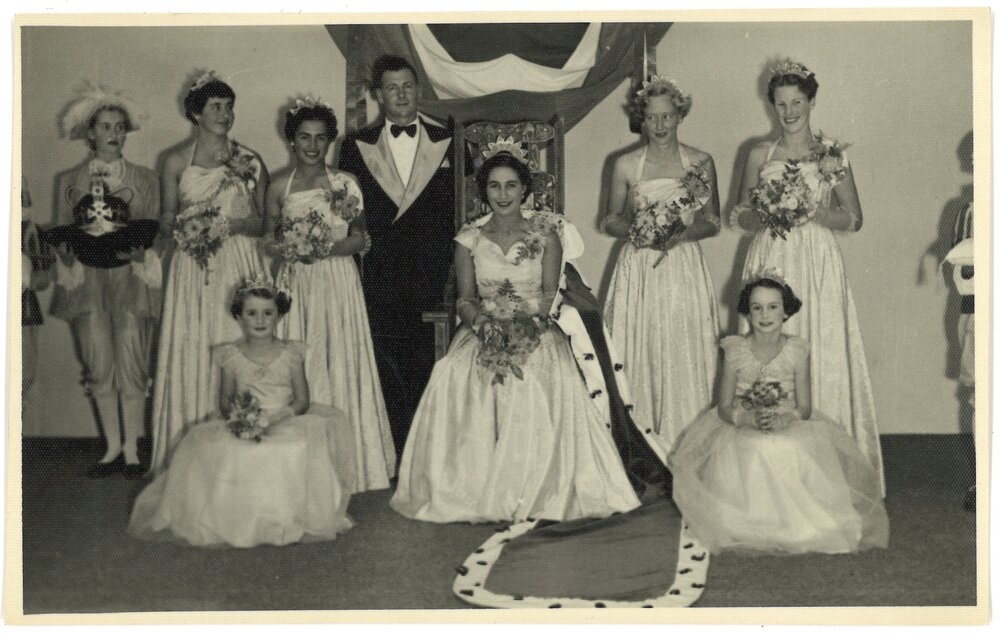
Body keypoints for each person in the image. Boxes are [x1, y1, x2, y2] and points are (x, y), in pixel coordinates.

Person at [390, 151, 668, 523]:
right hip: (484, 328)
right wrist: (483, 326)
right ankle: (471, 488)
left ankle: (532, 489)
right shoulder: (469, 239)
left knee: (533, 378)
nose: (502, 194)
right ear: (483, 192)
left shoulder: (545, 234)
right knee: (453, 372)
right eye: (494, 186)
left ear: (524, 190)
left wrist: (527, 328)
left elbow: (551, 293)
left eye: (511, 185)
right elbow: (466, 299)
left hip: (535, 327)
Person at [731, 59, 884, 494]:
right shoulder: (758, 153)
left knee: (819, 348)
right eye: (781, 104)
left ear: (811, 102)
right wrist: (768, 209)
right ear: (772, 107)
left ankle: (824, 470)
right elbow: (738, 215)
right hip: (771, 258)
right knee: (767, 350)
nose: (789, 112)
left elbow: (854, 218)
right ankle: (768, 471)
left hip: (817, 261)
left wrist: (811, 210)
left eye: (797, 102)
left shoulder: (831, 153)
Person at [670, 273, 889, 554]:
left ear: (786, 311)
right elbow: (723, 406)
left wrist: (788, 418)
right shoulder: (735, 350)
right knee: (751, 447)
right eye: (757, 307)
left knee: (787, 446)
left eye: (773, 306)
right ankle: (747, 523)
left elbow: (806, 406)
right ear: (747, 312)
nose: (765, 314)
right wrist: (745, 418)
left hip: (788, 420)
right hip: (743, 421)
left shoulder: (797, 350)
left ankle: (796, 525)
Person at [129, 277, 354, 547]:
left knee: (292, 446)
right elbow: (225, 399)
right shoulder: (230, 355)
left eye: (268, 313)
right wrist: (240, 419)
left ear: (279, 316)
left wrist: (278, 418)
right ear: (239, 317)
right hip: (243, 419)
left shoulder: (291, 354)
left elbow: (302, 400)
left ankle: (287, 518)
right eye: (251, 313)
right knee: (224, 448)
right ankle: (231, 520)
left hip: (284, 418)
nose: (260, 320)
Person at [264, 96, 396, 492]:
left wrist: (329, 247)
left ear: (330, 141)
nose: (312, 146)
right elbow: (269, 241)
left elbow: (362, 238)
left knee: (340, 358)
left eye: (321, 138)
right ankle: (298, 467)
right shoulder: (277, 186)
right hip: (297, 284)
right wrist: (292, 248)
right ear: (291, 140)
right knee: (303, 359)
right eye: (304, 137)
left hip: (338, 282)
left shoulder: (345, 183)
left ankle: (349, 464)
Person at [337, 55, 458, 460]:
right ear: (378, 94)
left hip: (433, 271)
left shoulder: (450, 140)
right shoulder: (354, 146)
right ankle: (392, 450)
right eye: (392, 87)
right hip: (380, 271)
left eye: (408, 86)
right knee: (384, 361)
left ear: (418, 89)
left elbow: (463, 211)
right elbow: (346, 212)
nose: (401, 94)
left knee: (428, 359)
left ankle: (426, 453)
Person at [149, 71, 269, 474]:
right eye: (215, 107)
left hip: (239, 262)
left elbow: (263, 222)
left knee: (237, 345)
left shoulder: (249, 160)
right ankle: (189, 457)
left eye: (229, 106)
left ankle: (244, 452)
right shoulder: (174, 160)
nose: (225, 114)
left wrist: (231, 226)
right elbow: (165, 218)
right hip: (193, 264)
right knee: (195, 345)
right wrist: (189, 227)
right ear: (196, 113)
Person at [46, 83, 160, 478]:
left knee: (132, 365)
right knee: (99, 366)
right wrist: (66, 248)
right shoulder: (69, 181)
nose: (113, 134)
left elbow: (151, 231)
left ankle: (132, 448)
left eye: (120, 127)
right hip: (88, 282)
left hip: (129, 279)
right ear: (90, 133)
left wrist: (136, 249)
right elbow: (64, 231)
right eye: (105, 126)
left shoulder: (145, 179)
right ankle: (111, 447)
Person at [603, 76, 721, 450]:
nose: (660, 126)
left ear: (679, 115)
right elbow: (609, 220)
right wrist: (640, 229)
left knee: (682, 349)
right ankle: (639, 447)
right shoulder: (624, 164)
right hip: (639, 266)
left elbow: (713, 221)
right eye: (652, 118)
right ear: (642, 119)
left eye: (667, 116)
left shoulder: (701, 162)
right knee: (638, 346)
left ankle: (684, 443)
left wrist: (680, 234)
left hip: (682, 266)